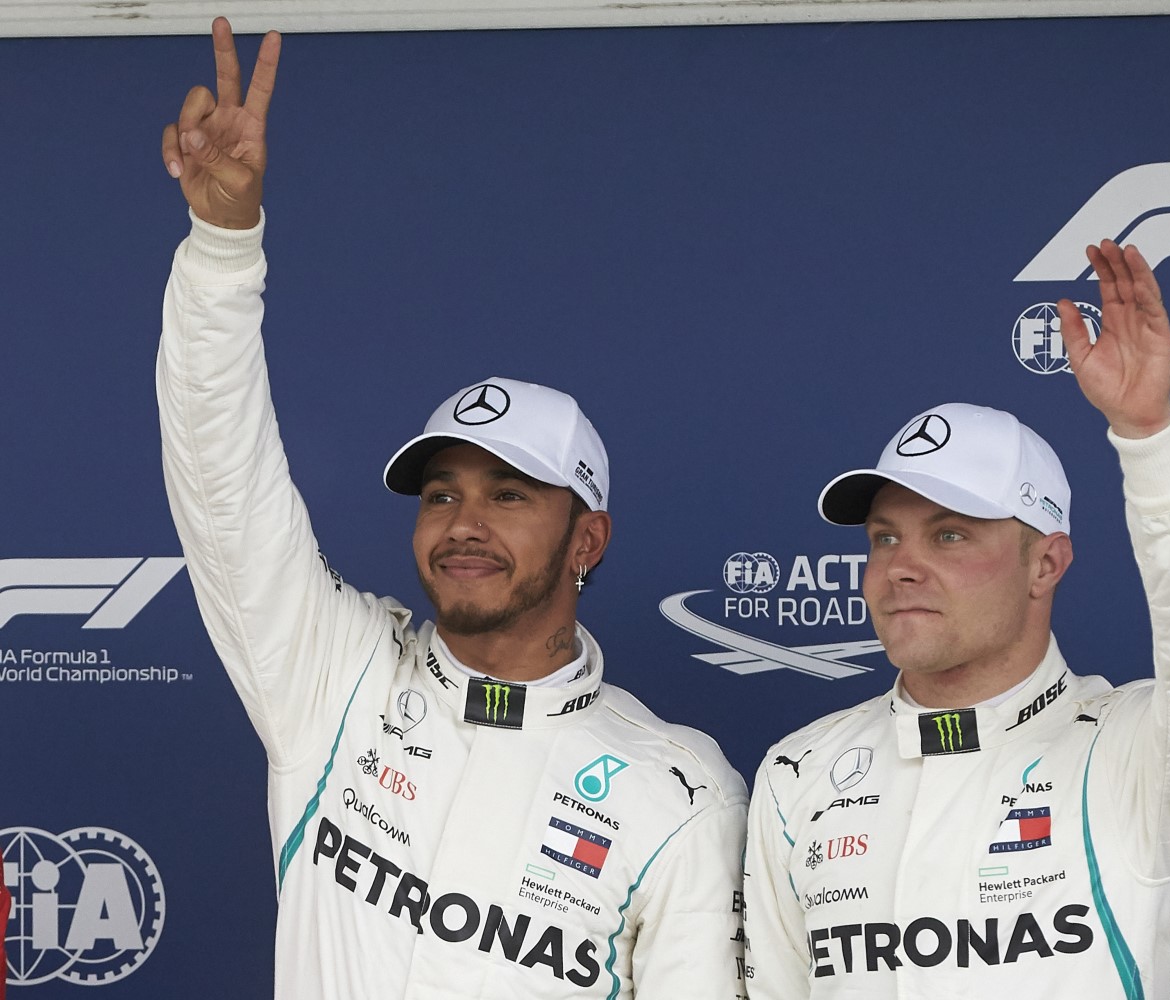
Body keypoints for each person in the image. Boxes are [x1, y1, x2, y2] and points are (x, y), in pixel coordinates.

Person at [158, 19, 747, 999]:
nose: (462, 522)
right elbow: (222, 471)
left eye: (508, 494)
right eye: (442, 493)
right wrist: (223, 249)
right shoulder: (335, 676)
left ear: (586, 537)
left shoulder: (678, 791)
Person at [742, 241, 1170, 999]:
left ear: (1046, 564)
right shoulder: (798, 772)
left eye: (951, 534)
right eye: (884, 537)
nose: (902, 564)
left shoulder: (1135, 754)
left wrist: (1150, 439)